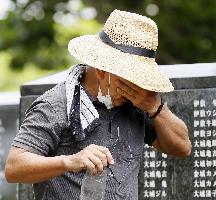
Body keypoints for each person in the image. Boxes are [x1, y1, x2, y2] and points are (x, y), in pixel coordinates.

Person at [5, 9, 191, 200]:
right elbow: (14, 168)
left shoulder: (139, 101)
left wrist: (155, 108)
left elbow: (182, 148)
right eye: (128, 80)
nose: (135, 88)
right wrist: (69, 161)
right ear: (102, 70)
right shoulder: (56, 104)